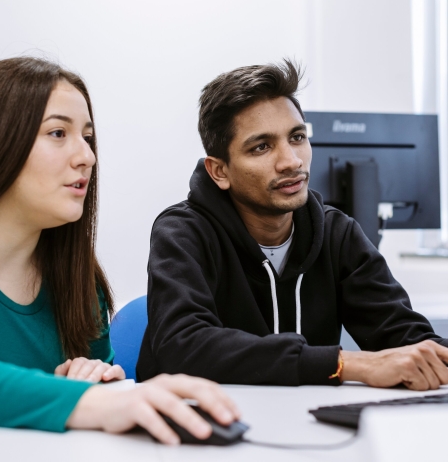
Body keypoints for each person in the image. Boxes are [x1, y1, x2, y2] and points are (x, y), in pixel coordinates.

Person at [0, 57, 239, 445]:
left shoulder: (76, 277)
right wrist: (85, 401)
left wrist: (97, 376)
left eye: (88, 137)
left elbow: (100, 395)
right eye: (58, 133)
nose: (87, 157)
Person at [137, 59, 448, 391]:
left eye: (297, 137)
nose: (292, 161)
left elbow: (407, 338)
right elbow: (183, 347)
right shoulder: (184, 233)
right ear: (220, 172)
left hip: (309, 429)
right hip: (202, 430)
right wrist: (342, 364)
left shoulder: (337, 234)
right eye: (261, 147)